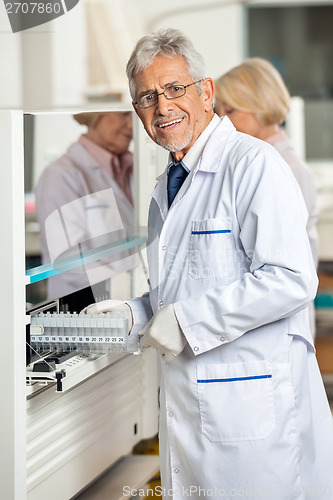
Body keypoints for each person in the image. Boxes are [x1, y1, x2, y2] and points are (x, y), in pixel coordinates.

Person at [85, 29, 333, 499]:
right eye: (146, 98)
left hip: (251, 415)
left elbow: (290, 278)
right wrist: (134, 313)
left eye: (175, 89)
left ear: (206, 92)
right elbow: (178, 290)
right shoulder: (169, 184)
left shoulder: (253, 164)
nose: (162, 108)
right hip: (196, 411)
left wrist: (186, 320)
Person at [214, 58, 319, 336]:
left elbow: (283, 274)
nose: (223, 118)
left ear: (259, 106)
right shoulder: (254, 161)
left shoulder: (286, 167)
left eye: (231, 109)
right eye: (219, 109)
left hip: (279, 321)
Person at [35, 111, 135, 300]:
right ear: (94, 115)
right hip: (84, 310)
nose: (132, 125)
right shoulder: (61, 175)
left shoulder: (136, 168)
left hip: (130, 308)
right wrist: (132, 286)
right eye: (123, 115)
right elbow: (69, 262)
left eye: (134, 114)